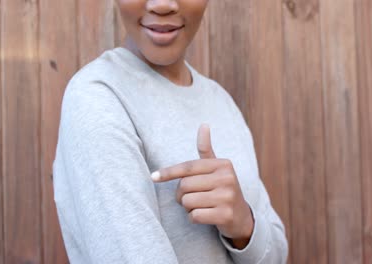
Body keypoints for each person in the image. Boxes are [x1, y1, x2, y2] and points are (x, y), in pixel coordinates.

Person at [52, 0, 288, 263]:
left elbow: (277, 253)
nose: (162, 5)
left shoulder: (221, 102)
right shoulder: (98, 96)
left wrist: (244, 227)